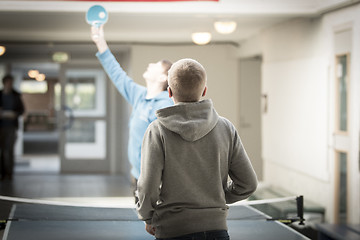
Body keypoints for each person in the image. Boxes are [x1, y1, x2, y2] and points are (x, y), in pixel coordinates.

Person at [136, 59, 258, 239]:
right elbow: (248, 184)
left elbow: (148, 187)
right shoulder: (226, 128)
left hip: (173, 230)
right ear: (204, 90)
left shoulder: (157, 130)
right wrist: (214, 200)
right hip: (217, 230)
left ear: (169, 91)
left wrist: (147, 217)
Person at [90, 25, 174, 186]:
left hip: (157, 179)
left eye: (156, 65)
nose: (150, 64)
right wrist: (100, 42)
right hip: (138, 175)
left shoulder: (164, 106)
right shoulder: (140, 95)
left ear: (163, 78)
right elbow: (117, 74)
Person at [0, 74, 25, 181]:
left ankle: (10, 173)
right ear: (4, 83)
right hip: (1, 126)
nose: (10, 85)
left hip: (11, 126)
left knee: (9, 150)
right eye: (8, 82)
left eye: (11, 83)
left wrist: (15, 114)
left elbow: (21, 110)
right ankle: (3, 173)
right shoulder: (0, 95)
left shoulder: (16, 95)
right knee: (2, 151)